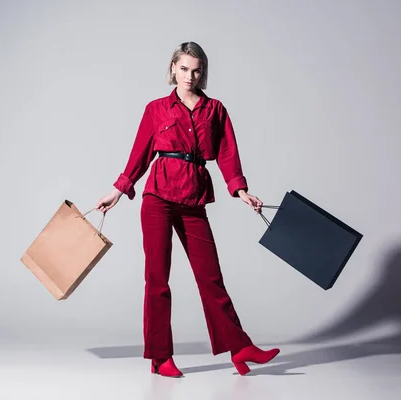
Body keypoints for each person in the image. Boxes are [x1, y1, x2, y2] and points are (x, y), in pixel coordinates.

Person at [96, 42, 279, 377]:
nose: (190, 76)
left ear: (203, 72)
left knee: (211, 277)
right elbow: (140, 153)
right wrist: (117, 191)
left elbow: (227, 152)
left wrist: (240, 191)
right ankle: (160, 357)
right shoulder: (156, 109)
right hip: (158, 198)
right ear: (172, 69)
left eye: (196, 70)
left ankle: (239, 347)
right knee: (157, 279)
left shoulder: (216, 110)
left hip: (194, 197)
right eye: (184, 69)